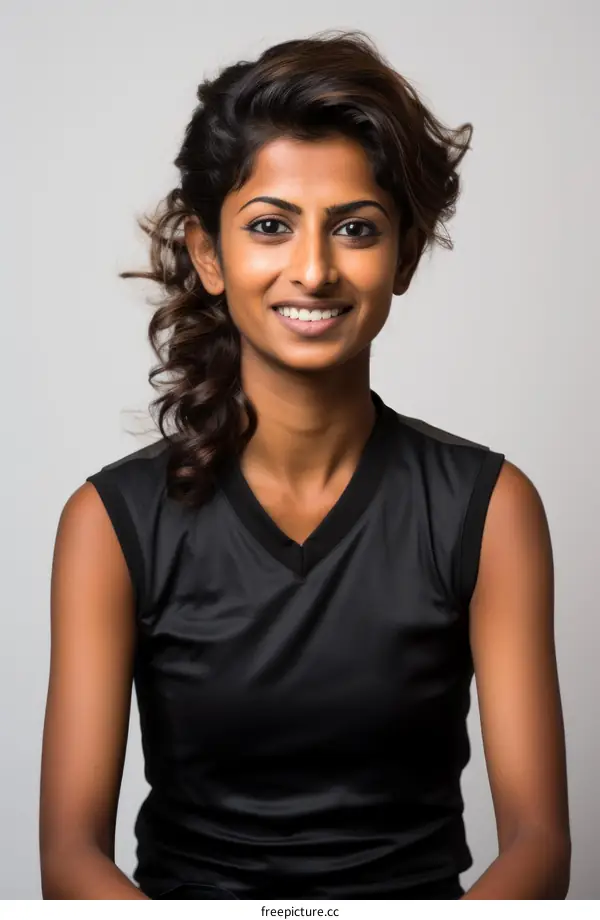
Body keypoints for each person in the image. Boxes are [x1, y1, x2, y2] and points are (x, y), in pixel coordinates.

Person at [39, 30, 571, 900]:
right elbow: (69, 860)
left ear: (402, 254)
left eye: (355, 228)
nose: (314, 270)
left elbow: (541, 845)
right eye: (270, 227)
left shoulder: (490, 508)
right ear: (208, 254)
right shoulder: (109, 523)